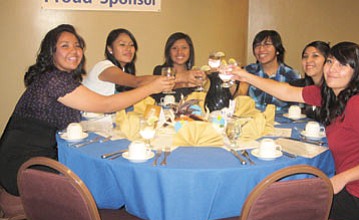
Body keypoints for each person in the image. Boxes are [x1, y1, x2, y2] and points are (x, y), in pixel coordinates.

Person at [232, 42, 359, 220]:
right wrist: (244, 76)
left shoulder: (358, 104)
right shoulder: (331, 96)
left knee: (288, 209)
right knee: (293, 202)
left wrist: (342, 178)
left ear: (357, 73)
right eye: (330, 61)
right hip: (358, 187)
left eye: (343, 65)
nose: (332, 69)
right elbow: (286, 91)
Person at [0, 24, 174, 196]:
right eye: (65, 46)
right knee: (97, 179)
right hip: (23, 167)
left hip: (37, 158)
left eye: (77, 45)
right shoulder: (53, 80)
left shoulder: (61, 78)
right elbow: (105, 105)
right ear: (51, 52)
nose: (74, 50)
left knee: (97, 170)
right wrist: (151, 88)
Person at [237, 30, 300, 111]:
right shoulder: (249, 71)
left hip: (282, 121)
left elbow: (297, 108)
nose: (261, 49)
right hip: (254, 120)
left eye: (267, 45)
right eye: (257, 45)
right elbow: (240, 96)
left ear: (277, 50)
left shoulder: (291, 74)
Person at [83, 28, 158, 95]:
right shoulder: (104, 67)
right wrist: (164, 80)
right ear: (110, 49)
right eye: (122, 44)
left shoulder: (124, 69)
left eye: (131, 45)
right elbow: (136, 81)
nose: (128, 48)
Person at [151, 32, 205, 103]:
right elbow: (162, 90)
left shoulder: (195, 74)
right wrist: (184, 83)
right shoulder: (161, 71)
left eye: (184, 48)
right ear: (169, 52)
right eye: (174, 48)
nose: (179, 52)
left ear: (190, 51)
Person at [290, 41, 330, 120]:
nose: (308, 60)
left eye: (315, 56)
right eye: (305, 56)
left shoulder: (333, 89)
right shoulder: (299, 84)